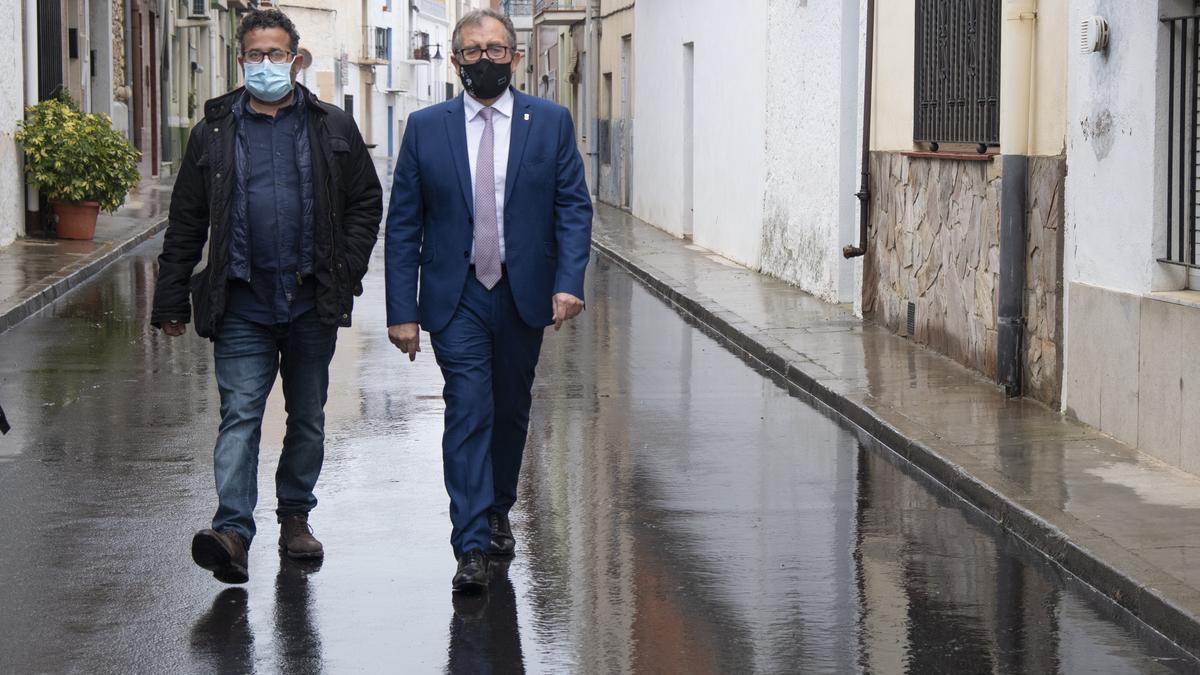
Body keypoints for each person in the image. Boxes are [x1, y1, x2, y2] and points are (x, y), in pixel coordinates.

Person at [151, 8, 382, 584]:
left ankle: (295, 519)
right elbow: (186, 221)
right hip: (241, 304)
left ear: (296, 60)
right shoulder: (215, 131)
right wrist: (171, 299)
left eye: (276, 54)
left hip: (311, 303)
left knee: (306, 418)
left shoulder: (332, 127)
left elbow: (365, 204)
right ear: (240, 61)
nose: (266, 64)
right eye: (255, 55)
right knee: (240, 417)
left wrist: (346, 270)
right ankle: (232, 531)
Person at [385, 9, 592, 592]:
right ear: (455, 61)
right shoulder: (427, 127)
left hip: (525, 293)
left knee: (510, 409)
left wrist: (569, 280)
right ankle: (470, 542)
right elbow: (404, 225)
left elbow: (573, 207)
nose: (486, 59)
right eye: (473, 51)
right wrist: (403, 309)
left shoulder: (549, 122)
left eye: (497, 50)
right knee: (469, 407)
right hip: (457, 296)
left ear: (516, 57)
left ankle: (499, 505)